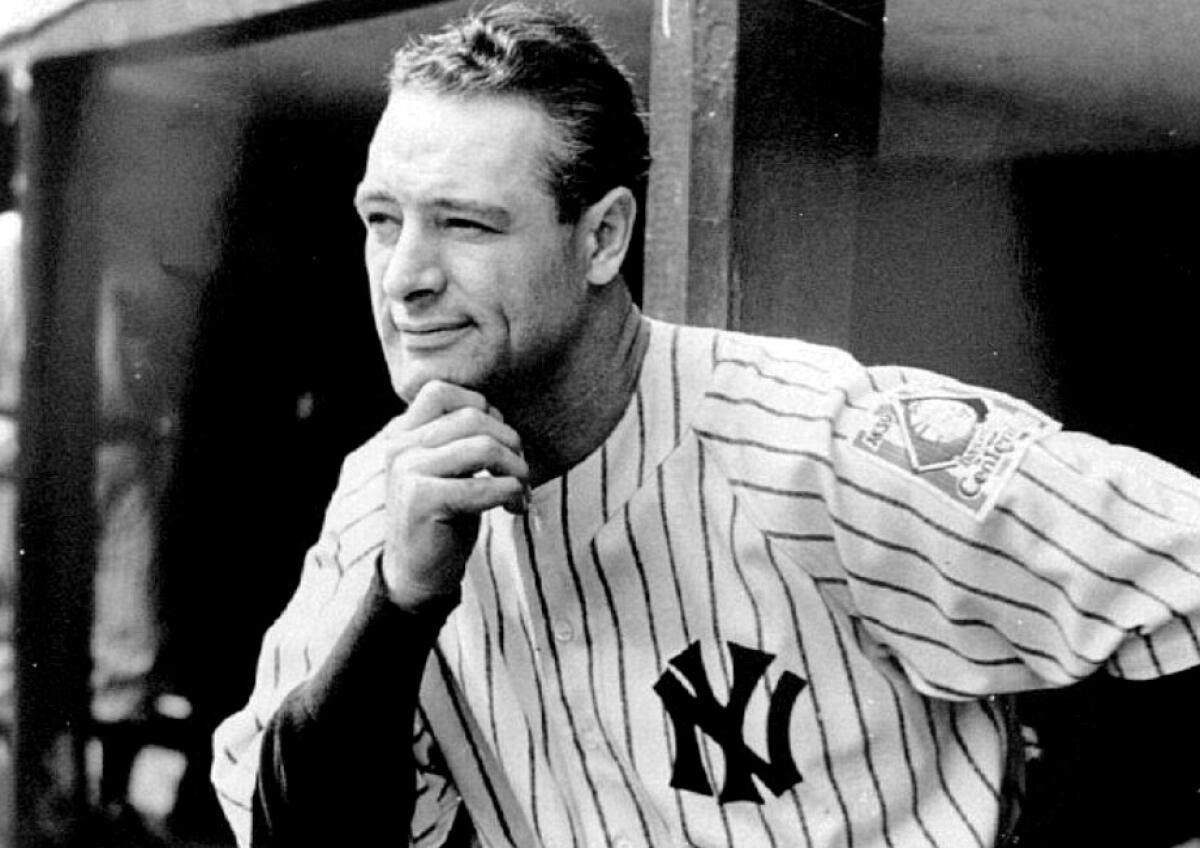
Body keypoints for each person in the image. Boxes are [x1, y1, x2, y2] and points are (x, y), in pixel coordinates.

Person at [211, 4, 1200, 846]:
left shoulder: (817, 440)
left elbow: (1178, 569)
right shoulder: (381, 497)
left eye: (464, 223)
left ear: (603, 237)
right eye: (382, 219)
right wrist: (402, 601)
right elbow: (287, 825)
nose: (405, 276)